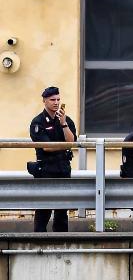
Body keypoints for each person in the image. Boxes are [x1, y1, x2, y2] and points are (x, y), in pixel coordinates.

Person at [28, 86, 75, 232]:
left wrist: (63, 123)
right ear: (44, 101)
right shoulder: (38, 122)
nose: (56, 102)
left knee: (62, 210)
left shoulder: (65, 120)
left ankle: (61, 242)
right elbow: (46, 147)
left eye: (58, 99)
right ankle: (38, 241)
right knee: (44, 209)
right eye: (52, 100)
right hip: (46, 170)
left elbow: (72, 141)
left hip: (63, 168)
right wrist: (65, 146)